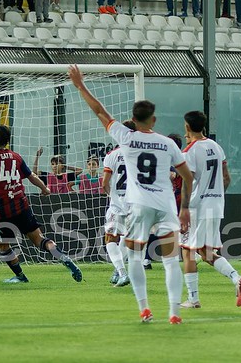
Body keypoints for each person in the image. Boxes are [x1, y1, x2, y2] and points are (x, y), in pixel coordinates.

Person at [68, 65, 194, 324]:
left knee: (135, 256)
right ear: (154, 119)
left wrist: (80, 85)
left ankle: (144, 308)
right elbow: (187, 176)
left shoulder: (125, 138)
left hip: (139, 205)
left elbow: (99, 111)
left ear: (133, 119)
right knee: (171, 261)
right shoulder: (168, 143)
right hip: (166, 203)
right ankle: (174, 312)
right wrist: (184, 208)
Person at [0, 124, 83, 284]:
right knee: (39, 239)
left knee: (2, 246)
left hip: (2, 211)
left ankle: (20, 276)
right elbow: (31, 176)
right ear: (7, 140)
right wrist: (45, 188)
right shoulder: (16, 156)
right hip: (22, 205)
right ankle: (63, 257)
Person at [179, 111, 241, 309]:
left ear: (187, 127)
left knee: (188, 251)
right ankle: (237, 279)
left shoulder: (190, 151)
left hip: (197, 207)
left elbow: (187, 180)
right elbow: (226, 178)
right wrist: (215, 196)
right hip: (216, 205)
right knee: (205, 252)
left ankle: (193, 299)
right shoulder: (217, 147)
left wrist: (184, 207)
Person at [102, 120, 136, 288]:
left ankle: (121, 272)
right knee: (127, 238)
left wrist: (112, 196)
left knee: (110, 238)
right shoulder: (140, 153)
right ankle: (118, 270)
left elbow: (104, 184)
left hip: (117, 204)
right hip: (136, 203)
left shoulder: (112, 155)